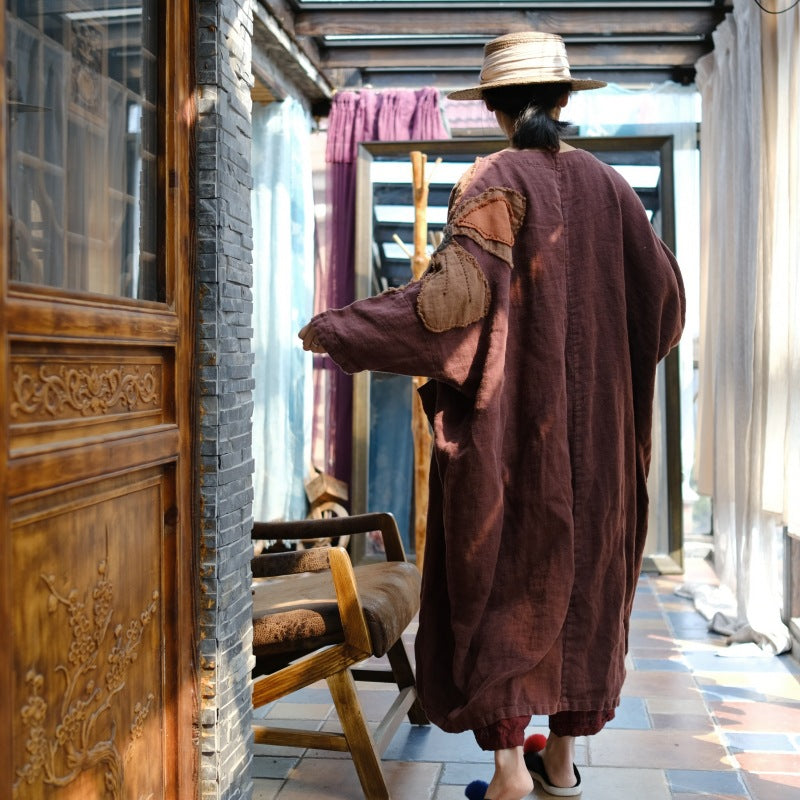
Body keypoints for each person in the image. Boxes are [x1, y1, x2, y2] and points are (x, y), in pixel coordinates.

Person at [299, 31, 685, 800]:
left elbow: (447, 310)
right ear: (565, 100)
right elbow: (666, 311)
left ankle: (509, 773)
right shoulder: (613, 189)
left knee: (505, 579)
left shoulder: (493, 181)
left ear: (495, 107)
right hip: (603, 445)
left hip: (511, 442)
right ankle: (560, 766)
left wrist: (340, 328)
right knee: (589, 586)